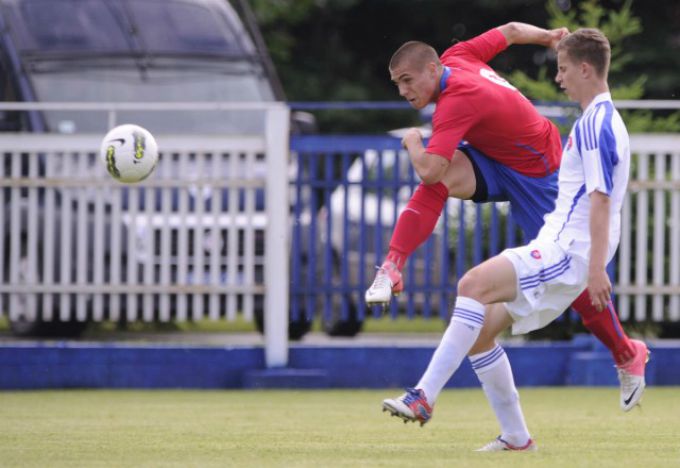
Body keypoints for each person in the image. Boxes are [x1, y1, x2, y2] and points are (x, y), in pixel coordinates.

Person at [382, 27, 648, 451]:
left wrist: (596, 269)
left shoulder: (596, 124)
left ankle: (423, 397)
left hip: (563, 236)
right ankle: (517, 438)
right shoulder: (596, 119)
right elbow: (508, 32)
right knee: (478, 333)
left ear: (584, 69)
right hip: (545, 218)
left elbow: (600, 200)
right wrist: (548, 37)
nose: (557, 78)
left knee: (471, 285)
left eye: (562, 70)